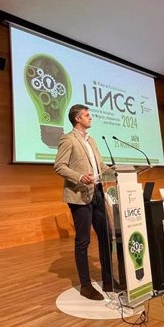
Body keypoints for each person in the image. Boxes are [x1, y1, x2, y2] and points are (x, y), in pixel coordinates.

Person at [54, 104, 114, 301]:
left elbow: (101, 166)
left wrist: (120, 171)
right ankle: (86, 286)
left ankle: (108, 281)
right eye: (87, 115)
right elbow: (59, 166)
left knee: (106, 236)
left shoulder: (92, 140)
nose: (91, 118)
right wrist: (80, 177)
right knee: (83, 241)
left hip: (97, 192)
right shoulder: (68, 139)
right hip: (79, 196)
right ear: (77, 119)